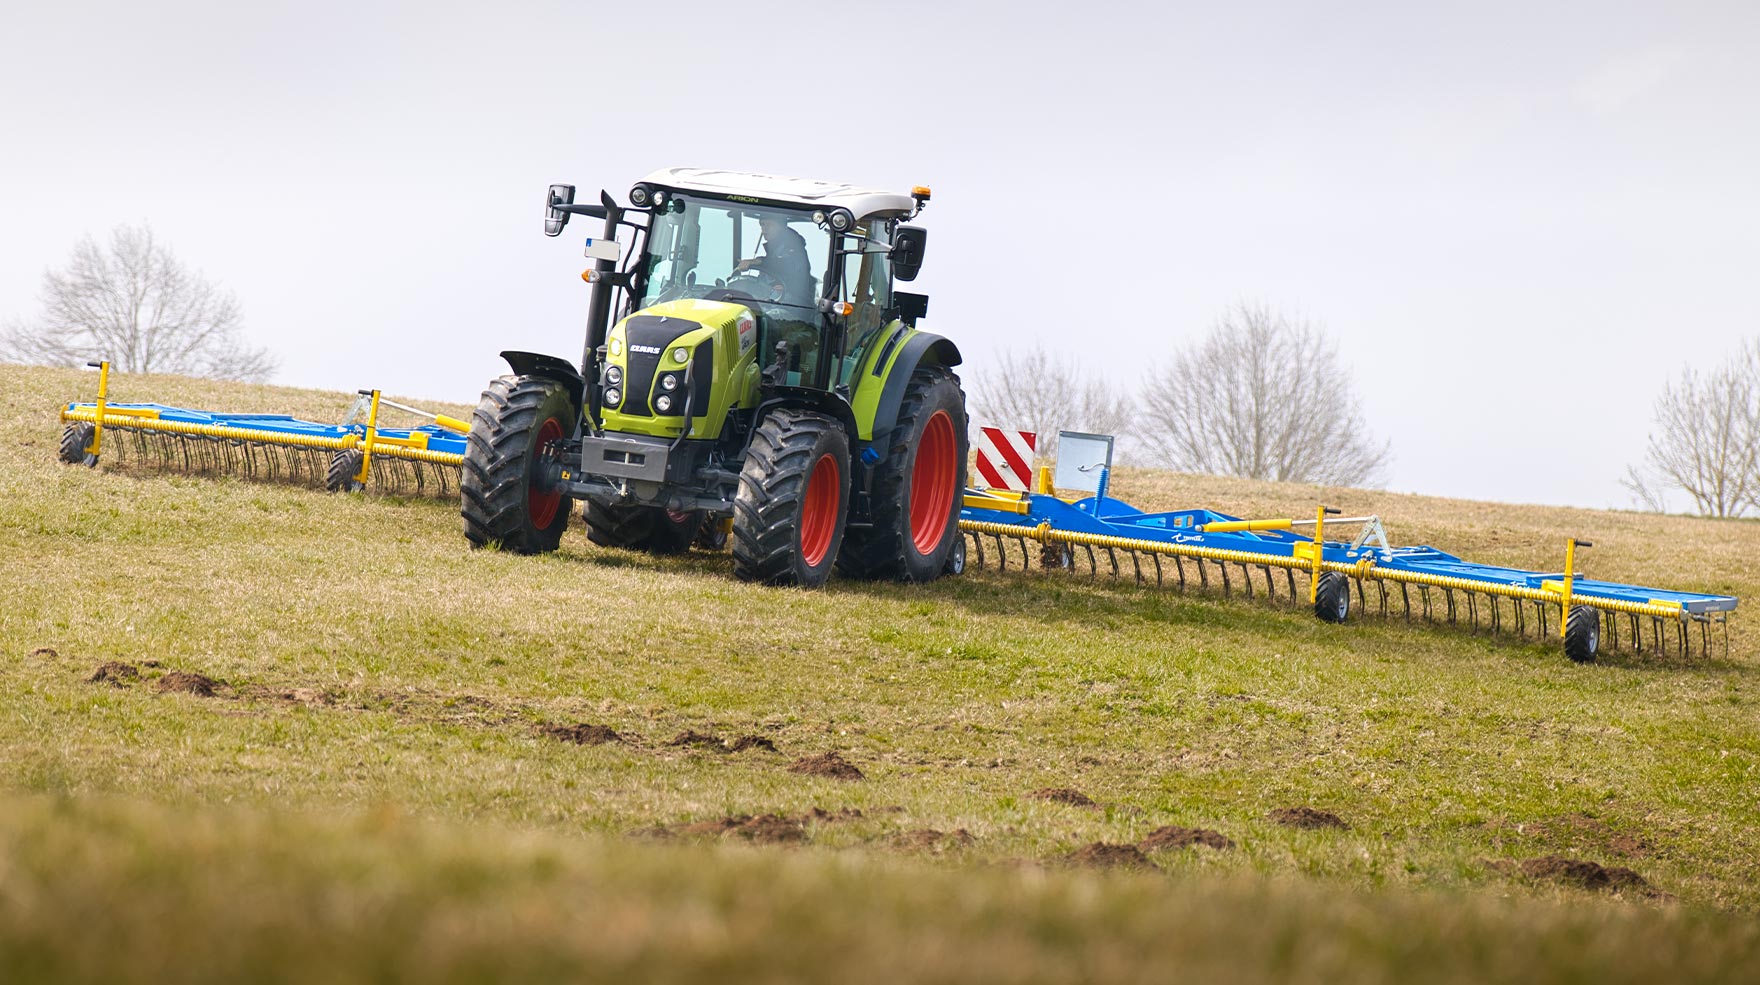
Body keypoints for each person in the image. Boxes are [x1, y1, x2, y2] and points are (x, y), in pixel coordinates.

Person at [734, 215, 815, 306]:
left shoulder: (795, 247)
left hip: (793, 307)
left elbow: (785, 264)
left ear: (782, 227)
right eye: (762, 224)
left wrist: (757, 262)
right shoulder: (774, 250)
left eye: (769, 224)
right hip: (774, 303)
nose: (764, 228)